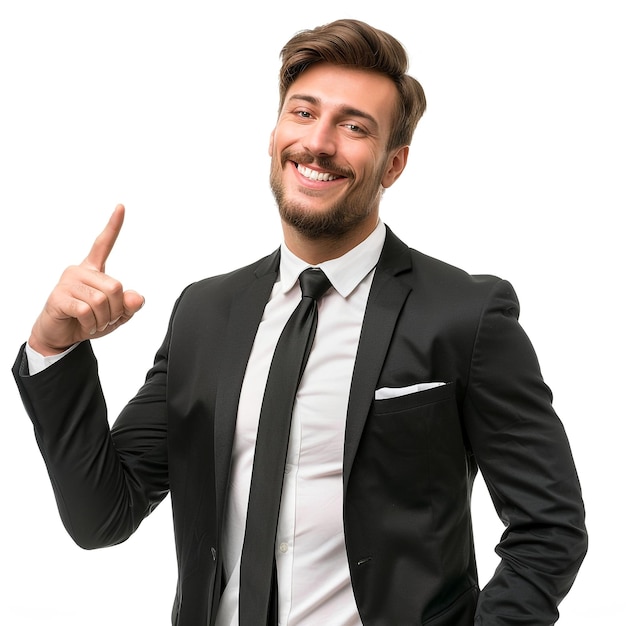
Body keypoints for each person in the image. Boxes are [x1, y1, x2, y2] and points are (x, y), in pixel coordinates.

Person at [12, 18, 587, 626]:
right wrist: (53, 349)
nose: (319, 143)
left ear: (393, 164)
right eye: (303, 113)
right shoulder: (205, 313)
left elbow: (549, 529)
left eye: (354, 126)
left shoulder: (466, 316)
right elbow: (104, 513)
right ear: (274, 134)